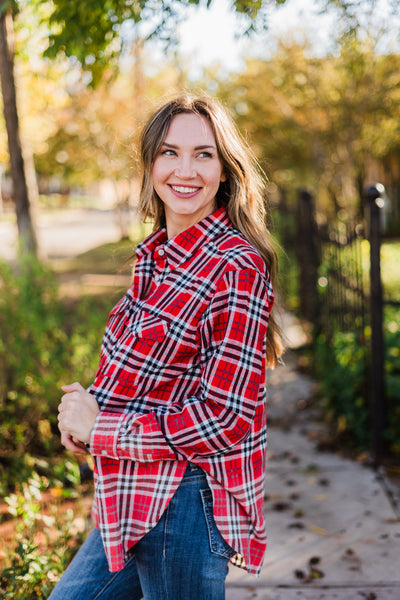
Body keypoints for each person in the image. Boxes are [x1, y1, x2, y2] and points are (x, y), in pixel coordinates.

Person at [51, 93, 283, 600]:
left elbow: (224, 417)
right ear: (151, 165)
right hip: (133, 492)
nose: (186, 169)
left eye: (204, 154)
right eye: (169, 152)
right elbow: (155, 373)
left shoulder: (236, 267)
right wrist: (88, 412)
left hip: (187, 505)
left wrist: (103, 428)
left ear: (225, 171)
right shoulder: (156, 257)